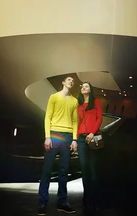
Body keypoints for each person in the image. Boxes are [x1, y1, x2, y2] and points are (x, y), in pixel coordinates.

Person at [38, 76, 78, 215]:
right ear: (63, 82)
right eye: (68, 79)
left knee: (63, 172)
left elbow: (75, 121)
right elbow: (47, 116)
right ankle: (42, 202)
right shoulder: (54, 97)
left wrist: (74, 139)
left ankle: (62, 203)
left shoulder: (74, 101)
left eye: (73, 81)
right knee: (47, 171)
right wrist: (47, 137)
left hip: (67, 137)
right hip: (54, 135)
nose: (71, 81)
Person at [77, 82, 103, 213]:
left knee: (93, 172)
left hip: (93, 138)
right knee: (85, 172)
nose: (83, 87)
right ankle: (86, 201)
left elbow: (99, 119)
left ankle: (96, 201)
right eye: (82, 86)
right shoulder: (79, 105)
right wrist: (75, 139)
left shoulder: (96, 102)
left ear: (90, 89)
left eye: (86, 86)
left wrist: (92, 133)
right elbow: (78, 123)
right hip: (81, 139)